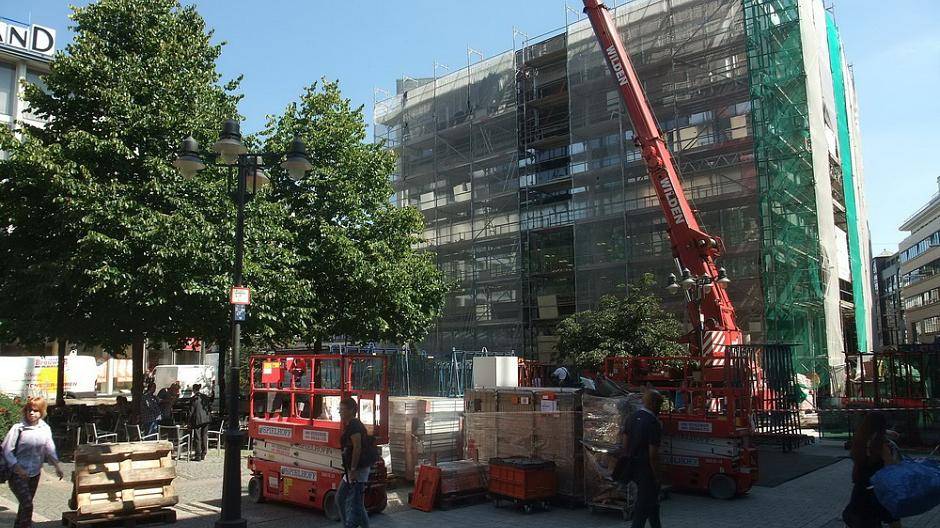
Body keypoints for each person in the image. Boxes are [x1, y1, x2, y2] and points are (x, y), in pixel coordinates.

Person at [1, 396, 65, 528]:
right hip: (17, 474)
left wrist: (57, 466)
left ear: (42, 412)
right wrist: (17, 467)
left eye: (35, 410)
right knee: (27, 504)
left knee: (24, 507)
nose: (31, 413)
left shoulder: (45, 429)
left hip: (34, 474)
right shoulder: (18, 428)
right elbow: (7, 449)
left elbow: (49, 448)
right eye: (29, 410)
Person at [842, 411, 901, 528]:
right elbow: (891, 467)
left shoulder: (859, 440)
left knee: (860, 518)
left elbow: (871, 431)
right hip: (878, 489)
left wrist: (887, 432)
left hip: (861, 487)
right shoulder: (881, 445)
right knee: (893, 519)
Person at [620, 389, 664, 528]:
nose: (660, 407)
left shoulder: (632, 417)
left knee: (652, 504)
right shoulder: (653, 423)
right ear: (652, 403)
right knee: (642, 507)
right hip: (647, 469)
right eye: (660, 404)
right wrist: (657, 475)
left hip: (634, 466)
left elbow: (625, 444)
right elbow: (653, 455)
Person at [336, 397, 371, 528]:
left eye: (342, 409)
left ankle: (349, 525)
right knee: (341, 498)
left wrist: (353, 469)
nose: (340, 412)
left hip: (357, 470)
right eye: (339, 409)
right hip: (351, 469)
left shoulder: (355, 426)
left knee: (356, 505)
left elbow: (357, 447)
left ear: (351, 410)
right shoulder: (350, 425)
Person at [188, 384, 213, 461]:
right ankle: (203, 453)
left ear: (194, 390)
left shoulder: (194, 398)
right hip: (206, 419)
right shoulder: (204, 397)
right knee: (204, 436)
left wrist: (188, 421)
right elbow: (209, 407)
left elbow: (191, 411)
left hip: (198, 420)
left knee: (197, 437)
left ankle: (198, 455)